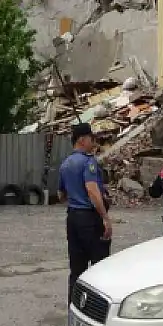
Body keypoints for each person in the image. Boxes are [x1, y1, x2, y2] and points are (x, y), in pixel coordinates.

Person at [58, 122, 112, 306]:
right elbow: (93, 191)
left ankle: (74, 307)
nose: (93, 142)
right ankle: (96, 310)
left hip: (72, 218)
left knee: (77, 268)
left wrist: (75, 197)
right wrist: (105, 218)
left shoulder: (65, 164)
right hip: (89, 219)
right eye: (91, 138)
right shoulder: (88, 162)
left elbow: (60, 194)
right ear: (82, 140)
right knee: (99, 266)